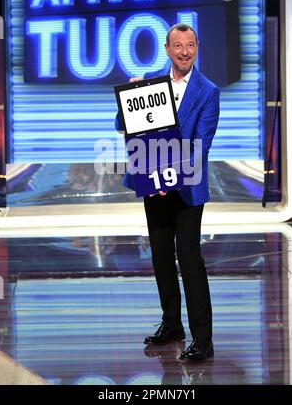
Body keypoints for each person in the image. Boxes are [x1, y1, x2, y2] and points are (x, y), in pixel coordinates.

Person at [115, 23, 220, 361]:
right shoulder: (149, 84)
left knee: (189, 260)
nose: (184, 51)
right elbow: (122, 126)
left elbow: (200, 146)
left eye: (190, 45)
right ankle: (172, 324)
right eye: (178, 45)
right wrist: (128, 100)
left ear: (197, 47)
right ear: (167, 48)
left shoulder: (208, 90)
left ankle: (202, 340)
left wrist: (167, 175)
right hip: (152, 184)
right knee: (160, 257)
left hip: (186, 187)